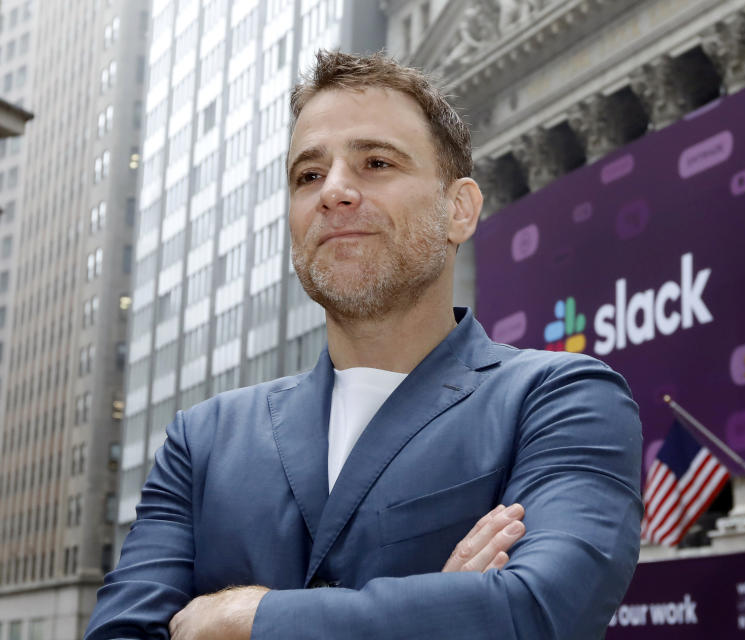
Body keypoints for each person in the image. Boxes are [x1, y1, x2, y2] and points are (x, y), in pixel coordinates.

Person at [85, 50, 643, 640]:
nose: (335, 191)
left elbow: (533, 612)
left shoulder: (564, 401)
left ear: (459, 210)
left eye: (375, 162)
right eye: (308, 175)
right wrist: (447, 611)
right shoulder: (200, 441)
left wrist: (239, 618)